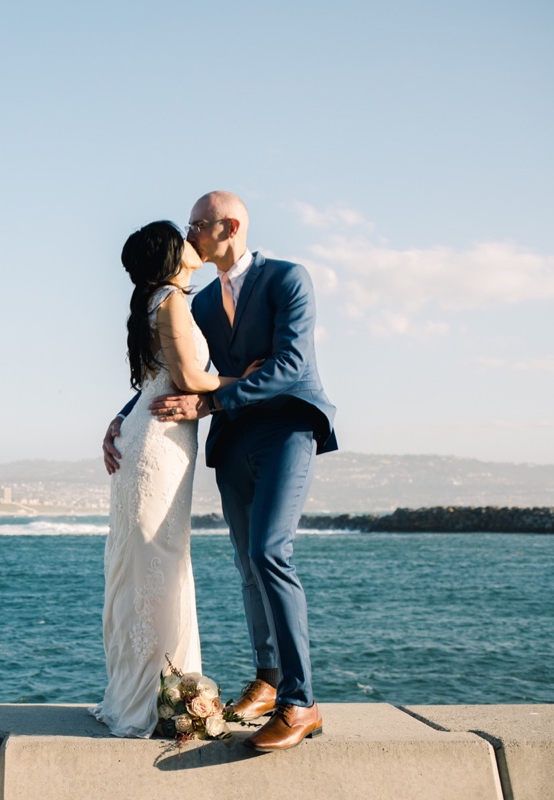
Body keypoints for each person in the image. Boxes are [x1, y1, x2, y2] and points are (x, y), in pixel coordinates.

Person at [102, 191, 337, 752]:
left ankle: (300, 702)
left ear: (226, 227)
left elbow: (292, 365)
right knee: (245, 561)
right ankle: (268, 677)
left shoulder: (287, 279)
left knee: (268, 552)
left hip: (285, 431)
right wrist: (117, 418)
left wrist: (208, 404)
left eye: (195, 226)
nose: (189, 237)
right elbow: (165, 370)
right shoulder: (196, 301)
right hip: (232, 439)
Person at [90, 221, 261, 738]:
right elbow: (189, 380)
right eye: (182, 237)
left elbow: (158, 379)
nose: (193, 241)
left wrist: (119, 417)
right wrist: (250, 378)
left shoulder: (157, 299)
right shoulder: (171, 300)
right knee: (159, 562)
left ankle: (149, 692)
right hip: (157, 446)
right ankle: (159, 697)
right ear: (171, 255)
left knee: (150, 563)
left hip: (151, 437)